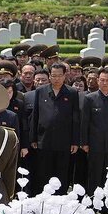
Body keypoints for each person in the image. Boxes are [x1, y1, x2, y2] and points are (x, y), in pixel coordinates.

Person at [30, 63, 80, 194]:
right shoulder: (41, 91)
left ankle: (60, 200)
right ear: (50, 76)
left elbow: (76, 118)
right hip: (44, 140)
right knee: (43, 173)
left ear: (65, 76)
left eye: (59, 75)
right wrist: (33, 138)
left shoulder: (72, 93)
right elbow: (35, 115)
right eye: (53, 75)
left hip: (64, 141)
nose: (56, 78)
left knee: (61, 173)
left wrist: (75, 141)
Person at [81, 67, 108, 195]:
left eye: (107, 80)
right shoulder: (90, 98)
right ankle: (92, 201)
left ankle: (106, 204)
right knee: (93, 174)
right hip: (94, 144)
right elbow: (85, 122)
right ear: (98, 81)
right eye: (102, 80)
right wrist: (84, 142)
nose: (104, 83)